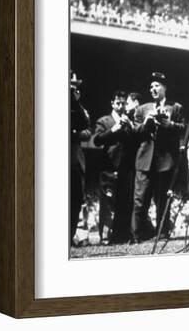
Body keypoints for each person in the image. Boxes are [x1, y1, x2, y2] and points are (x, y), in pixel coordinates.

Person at [131, 72, 185, 243]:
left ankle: (162, 233)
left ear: (164, 87)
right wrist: (147, 122)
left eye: (157, 86)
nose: (153, 89)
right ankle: (136, 235)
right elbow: (134, 132)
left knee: (162, 200)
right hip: (145, 160)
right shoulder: (142, 109)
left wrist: (170, 124)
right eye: (151, 86)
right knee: (140, 200)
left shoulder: (175, 107)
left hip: (165, 161)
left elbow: (184, 127)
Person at [92, 90, 136, 243]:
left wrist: (129, 126)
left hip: (125, 169)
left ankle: (121, 236)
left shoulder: (128, 121)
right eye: (118, 103)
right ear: (112, 103)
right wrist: (113, 129)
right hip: (108, 168)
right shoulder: (103, 121)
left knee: (124, 203)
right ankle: (105, 237)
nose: (121, 106)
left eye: (124, 103)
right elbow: (96, 140)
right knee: (108, 204)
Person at [70, 72, 91, 246]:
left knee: (76, 198)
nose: (73, 88)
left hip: (74, 159)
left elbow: (86, 127)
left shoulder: (79, 107)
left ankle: (69, 237)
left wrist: (74, 102)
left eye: (75, 86)